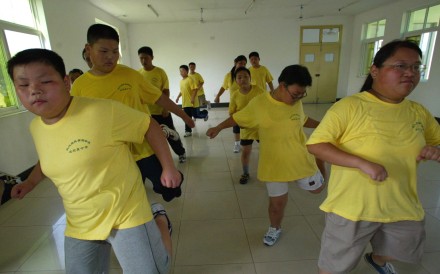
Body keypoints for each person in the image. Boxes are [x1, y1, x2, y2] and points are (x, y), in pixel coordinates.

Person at [8, 48, 176, 274]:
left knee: (154, 270)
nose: (34, 91)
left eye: (45, 81)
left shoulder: (101, 111)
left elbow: (148, 125)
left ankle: (160, 222)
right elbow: (50, 156)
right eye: (23, 85)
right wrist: (29, 183)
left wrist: (168, 167)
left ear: (66, 82)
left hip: (125, 210)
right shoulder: (36, 127)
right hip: (80, 219)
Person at [306, 40, 440, 274]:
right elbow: (316, 145)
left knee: (403, 249)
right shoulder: (349, 107)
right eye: (400, 65)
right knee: (334, 268)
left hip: (401, 203)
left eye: (416, 67)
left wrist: (435, 150)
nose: (410, 73)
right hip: (353, 207)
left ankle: (377, 259)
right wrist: (361, 163)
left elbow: (437, 141)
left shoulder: (419, 112)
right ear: (375, 70)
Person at [72, 24, 193, 202]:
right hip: (115, 153)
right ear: (88, 49)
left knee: (169, 190)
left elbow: (159, 98)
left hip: (144, 146)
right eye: (104, 51)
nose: (110, 57)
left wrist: (183, 115)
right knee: (130, 197)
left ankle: (171, 160)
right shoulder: (80, 86)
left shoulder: (130, 75)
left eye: (115, 51)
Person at [207, 65, 326, 246]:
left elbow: (303, 119)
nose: (298, 99)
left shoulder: (296, 101)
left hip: (299, 158)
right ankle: (274, 228)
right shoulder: (259, 103)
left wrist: (323, 125)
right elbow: (237, 118)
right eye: (295, 94)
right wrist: (218, 127)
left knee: (317, 190)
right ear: (282, 85)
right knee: (277, 204)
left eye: (302, 95)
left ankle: (320, 160)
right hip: (274, 163)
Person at [138, 46, 187, 163]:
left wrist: (165, 108)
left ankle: (181, 152)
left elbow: (166, 91)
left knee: (170, 134)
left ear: (152, 58)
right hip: (146, 112)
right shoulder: (138, 74)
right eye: (141, 58)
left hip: (160, 111)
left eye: (146, 58)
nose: (144, 61)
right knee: (151, 137)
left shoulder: (160, 72)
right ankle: (157, 158)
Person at [229, 67, 265, 184]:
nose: (243, 79)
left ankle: (270, 171)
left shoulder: (259, 90)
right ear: (236, 80)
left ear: (250, 78)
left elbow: (267, 106)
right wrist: (240, 123)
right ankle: (245, 173)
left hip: (260, 128)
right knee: (246, 152)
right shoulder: (235, 95)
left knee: (267, 150)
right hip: (245, 129)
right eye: (239, 77)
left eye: (245, 76)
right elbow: (232, 113)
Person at [214, 55, 248, 153]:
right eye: (241, 63)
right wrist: (218, 96)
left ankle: (249, 142)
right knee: (236, 124)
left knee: (250, 124)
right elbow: (224, 87)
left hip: (248, 103)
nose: (243, 65)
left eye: (244, 64)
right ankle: (237, 144)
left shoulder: (247, 74)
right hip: (236, 105)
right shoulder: (229, 76)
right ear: (235, 63)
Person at [176, 65, 208, 137]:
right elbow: (181, 91)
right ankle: (188, 131)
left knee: (196, 115)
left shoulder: (190, 79)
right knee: (187, 117)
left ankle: (205, 113)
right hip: (185, 103)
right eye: (180, 71)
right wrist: (178, 97)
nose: (181, 72)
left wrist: (193, 98)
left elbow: (195, 89)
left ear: (187, 71)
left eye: (182, 71)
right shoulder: (181, 81)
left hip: (193, 102)